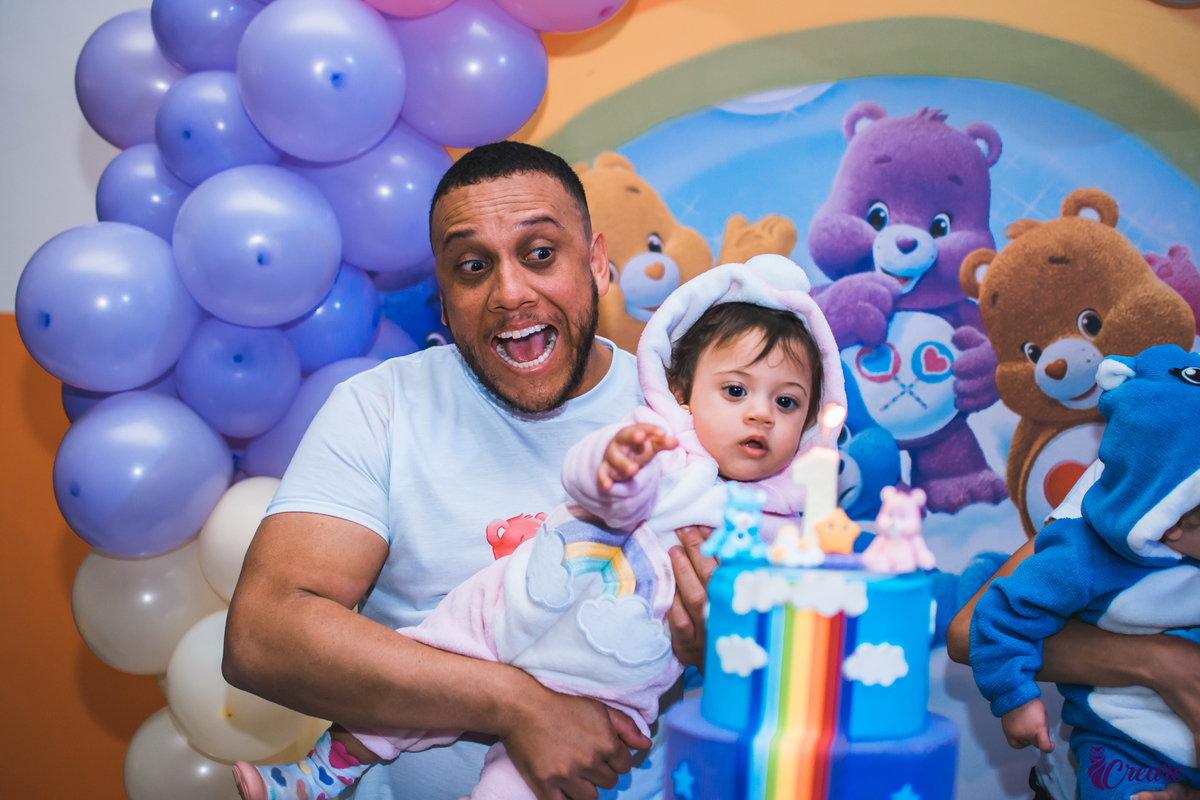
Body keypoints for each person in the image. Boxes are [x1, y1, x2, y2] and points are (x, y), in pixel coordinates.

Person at [230, 256, 846, 800]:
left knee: (522, 788)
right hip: (509, 611)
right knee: (412, 674)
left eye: (787, 403)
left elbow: (796, 663)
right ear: (684, 396)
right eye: (736, 390)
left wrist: (731, 644)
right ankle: (315, 776)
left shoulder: (787, 522)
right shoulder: (659, 444)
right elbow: (596, 488)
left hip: (606, 690)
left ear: (596, 260)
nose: (759, 413)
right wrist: (616, 465)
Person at [223, 141, 719, 800]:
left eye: (540, 254)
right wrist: (516, 706)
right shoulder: (382, 407)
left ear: (598, 263)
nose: (511, 292)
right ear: (444, 292)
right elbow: (263, 636)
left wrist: (730, 639)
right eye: (473, 266)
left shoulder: (693, 418)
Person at [950, 345, 1200, 800]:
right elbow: (981, 625)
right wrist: (1016, 699)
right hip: (1123, 740)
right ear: (1176, 522)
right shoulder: (1090, 546)